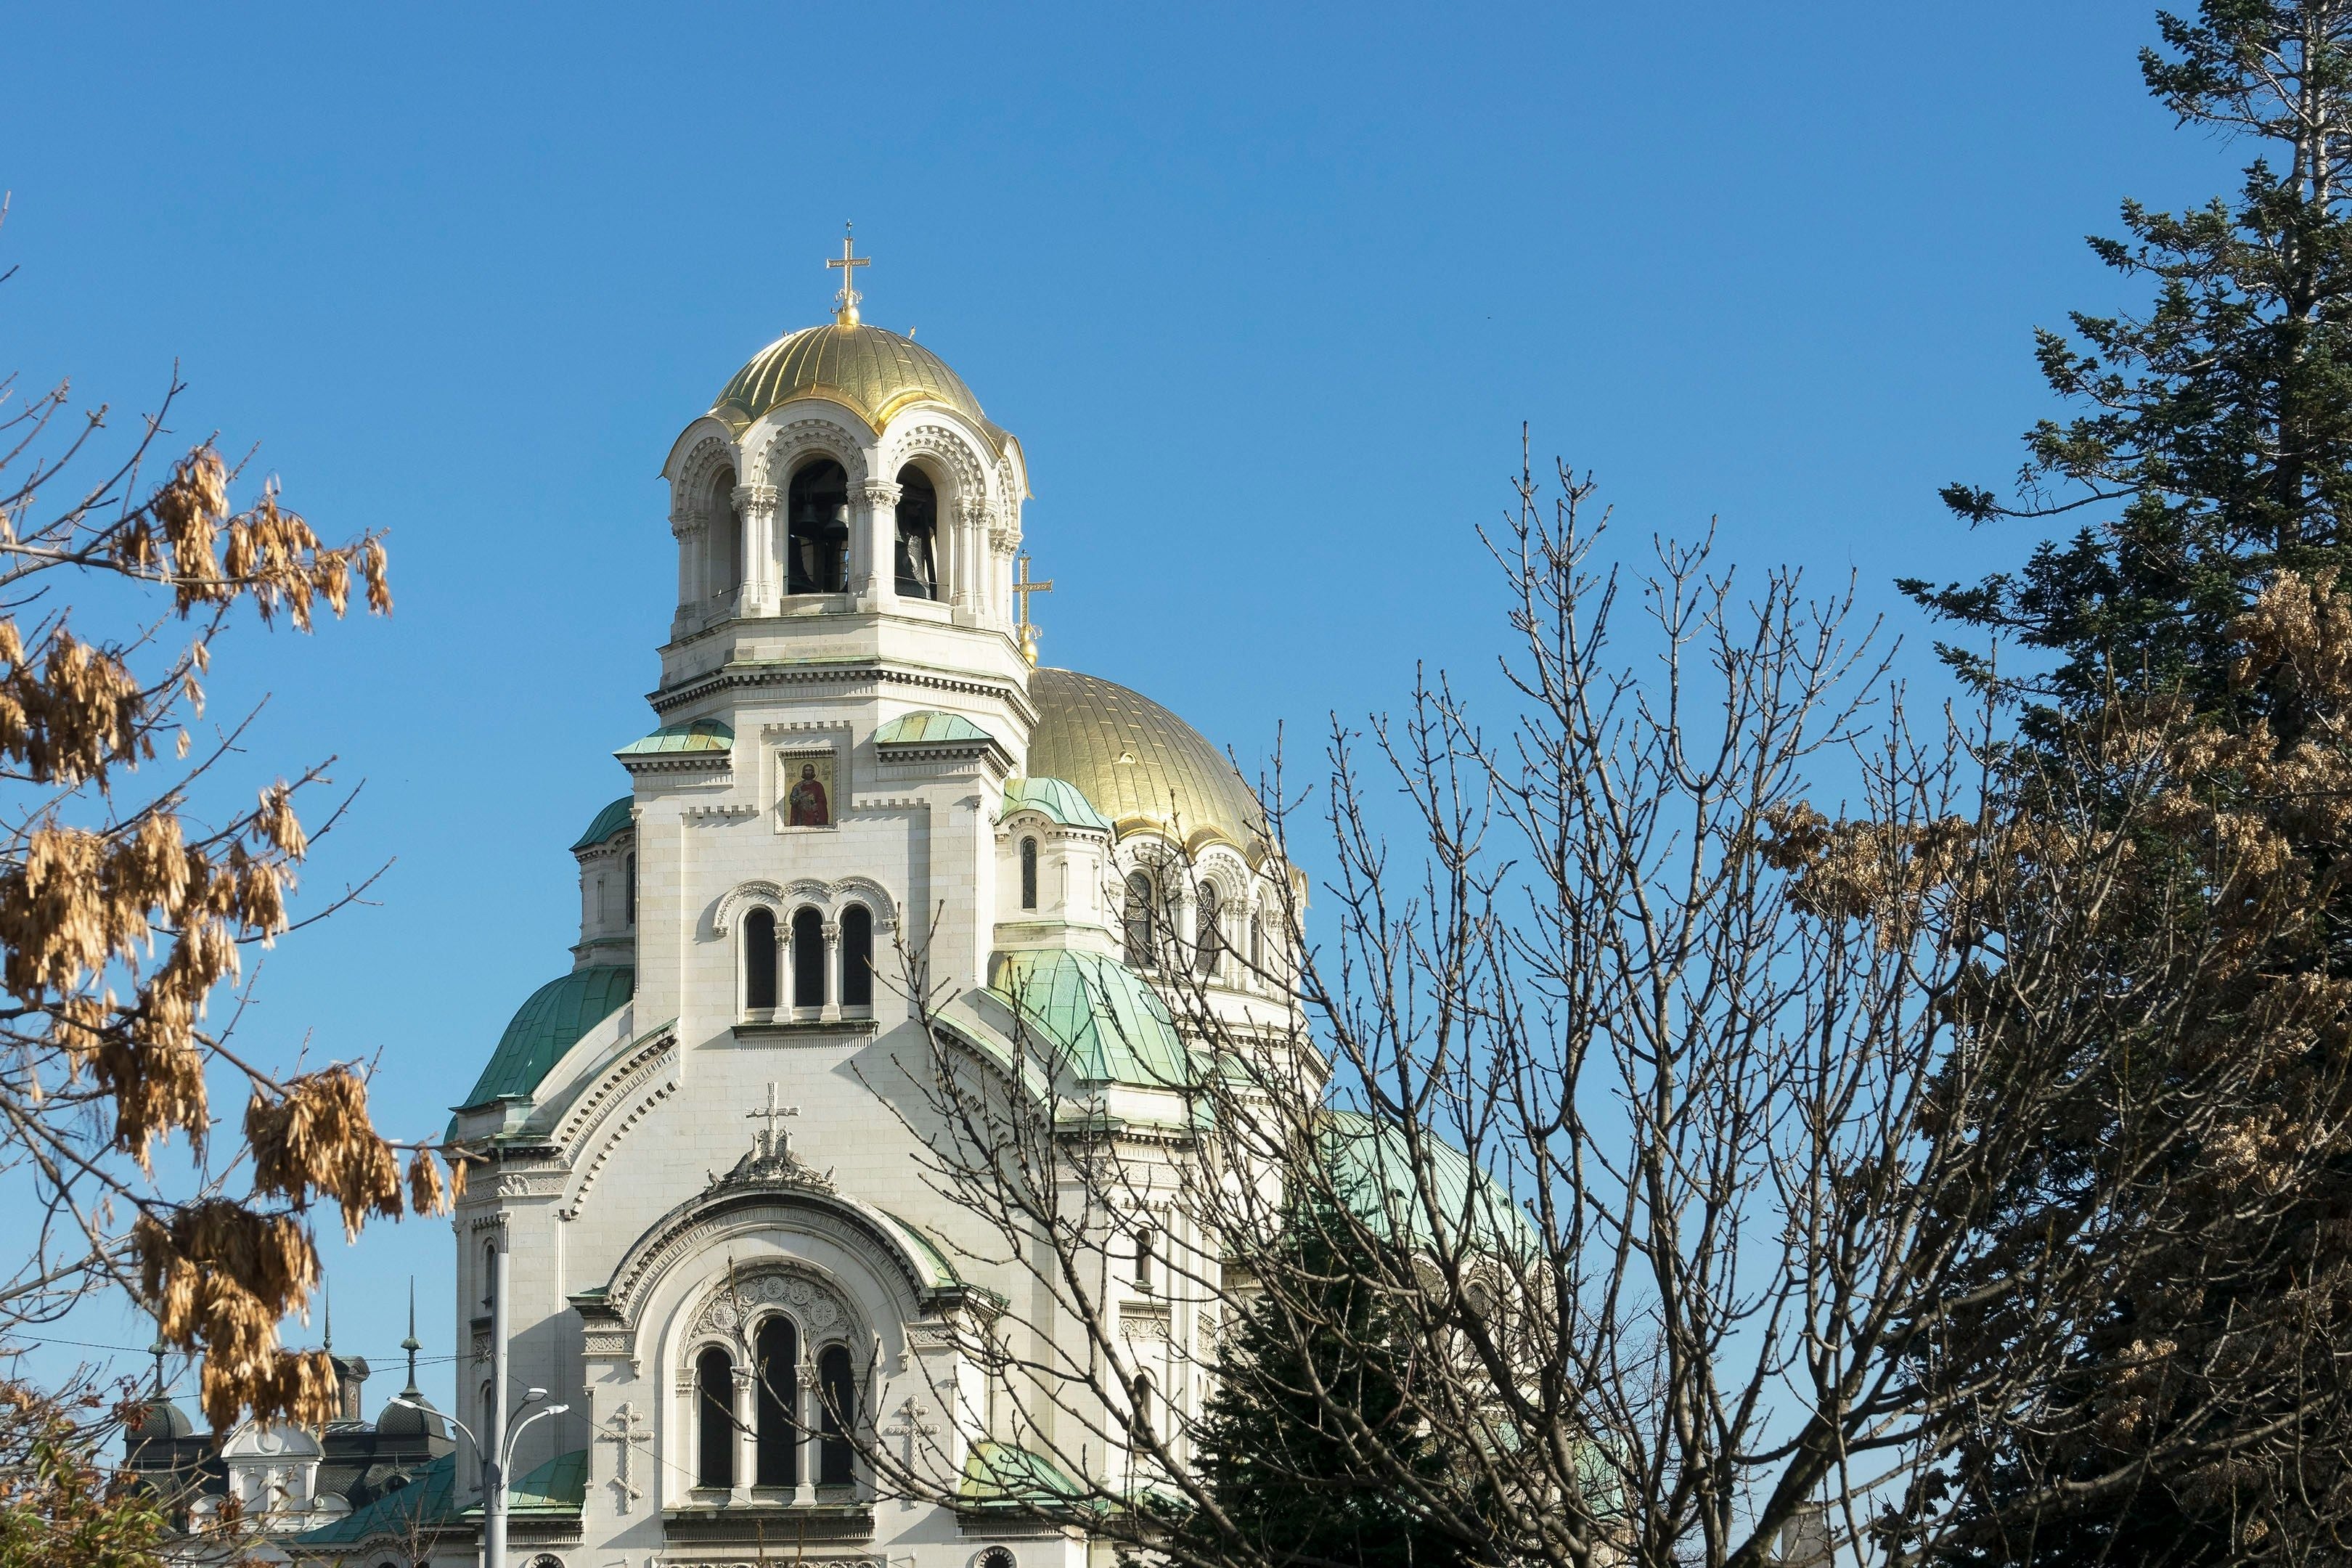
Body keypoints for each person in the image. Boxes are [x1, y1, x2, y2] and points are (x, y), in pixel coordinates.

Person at [788, 762, 830, 827]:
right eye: (806, 770)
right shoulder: (798, 786)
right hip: (801, 816)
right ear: (803, 772)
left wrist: (815, 805)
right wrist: (800, 796)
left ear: (813, 772)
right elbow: (792, 801)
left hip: (814, 815)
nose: (808, 772)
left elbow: (822, 801)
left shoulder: (818, 786)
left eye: (810, 770)